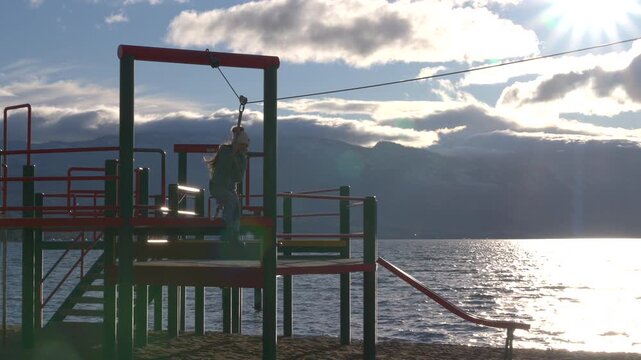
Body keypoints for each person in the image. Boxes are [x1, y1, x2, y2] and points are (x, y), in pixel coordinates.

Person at [205, 126, 249, 243]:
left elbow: (238, 178)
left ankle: (234, 232)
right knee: (230, 200)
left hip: (229, 188)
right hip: (217, 186)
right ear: (238, 144)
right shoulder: (224, 150)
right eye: (243, 145)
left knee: (236, 207)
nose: (245, 148)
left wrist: (235, 161)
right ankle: (226, 227)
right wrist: (231, 156)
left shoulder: (242, 159)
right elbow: (224, 166)